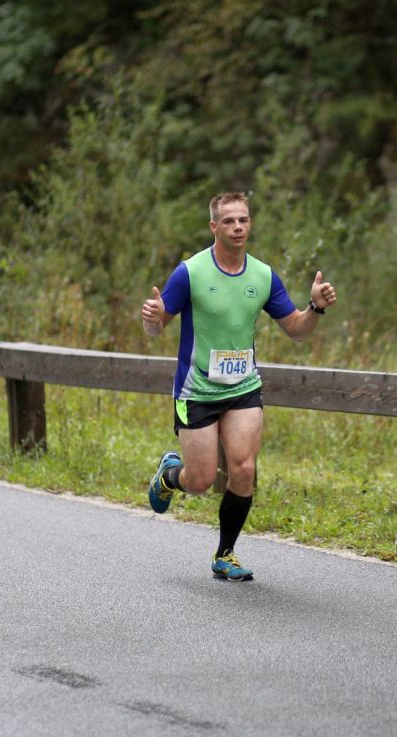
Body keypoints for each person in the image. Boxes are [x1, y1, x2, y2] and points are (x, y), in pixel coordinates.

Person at [141, 192, 337, 581]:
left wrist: (315, 308)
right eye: (229, 221)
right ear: (214, 226)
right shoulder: (191, 272)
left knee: (243, 468)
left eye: (243, 220)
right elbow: (156, 327)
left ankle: (225, 554)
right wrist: (152, 317)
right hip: (196, 390)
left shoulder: (262, 275)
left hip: (243, 387)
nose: (237, 227)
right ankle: (169, 475)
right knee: (199, 482)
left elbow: (296, 329)